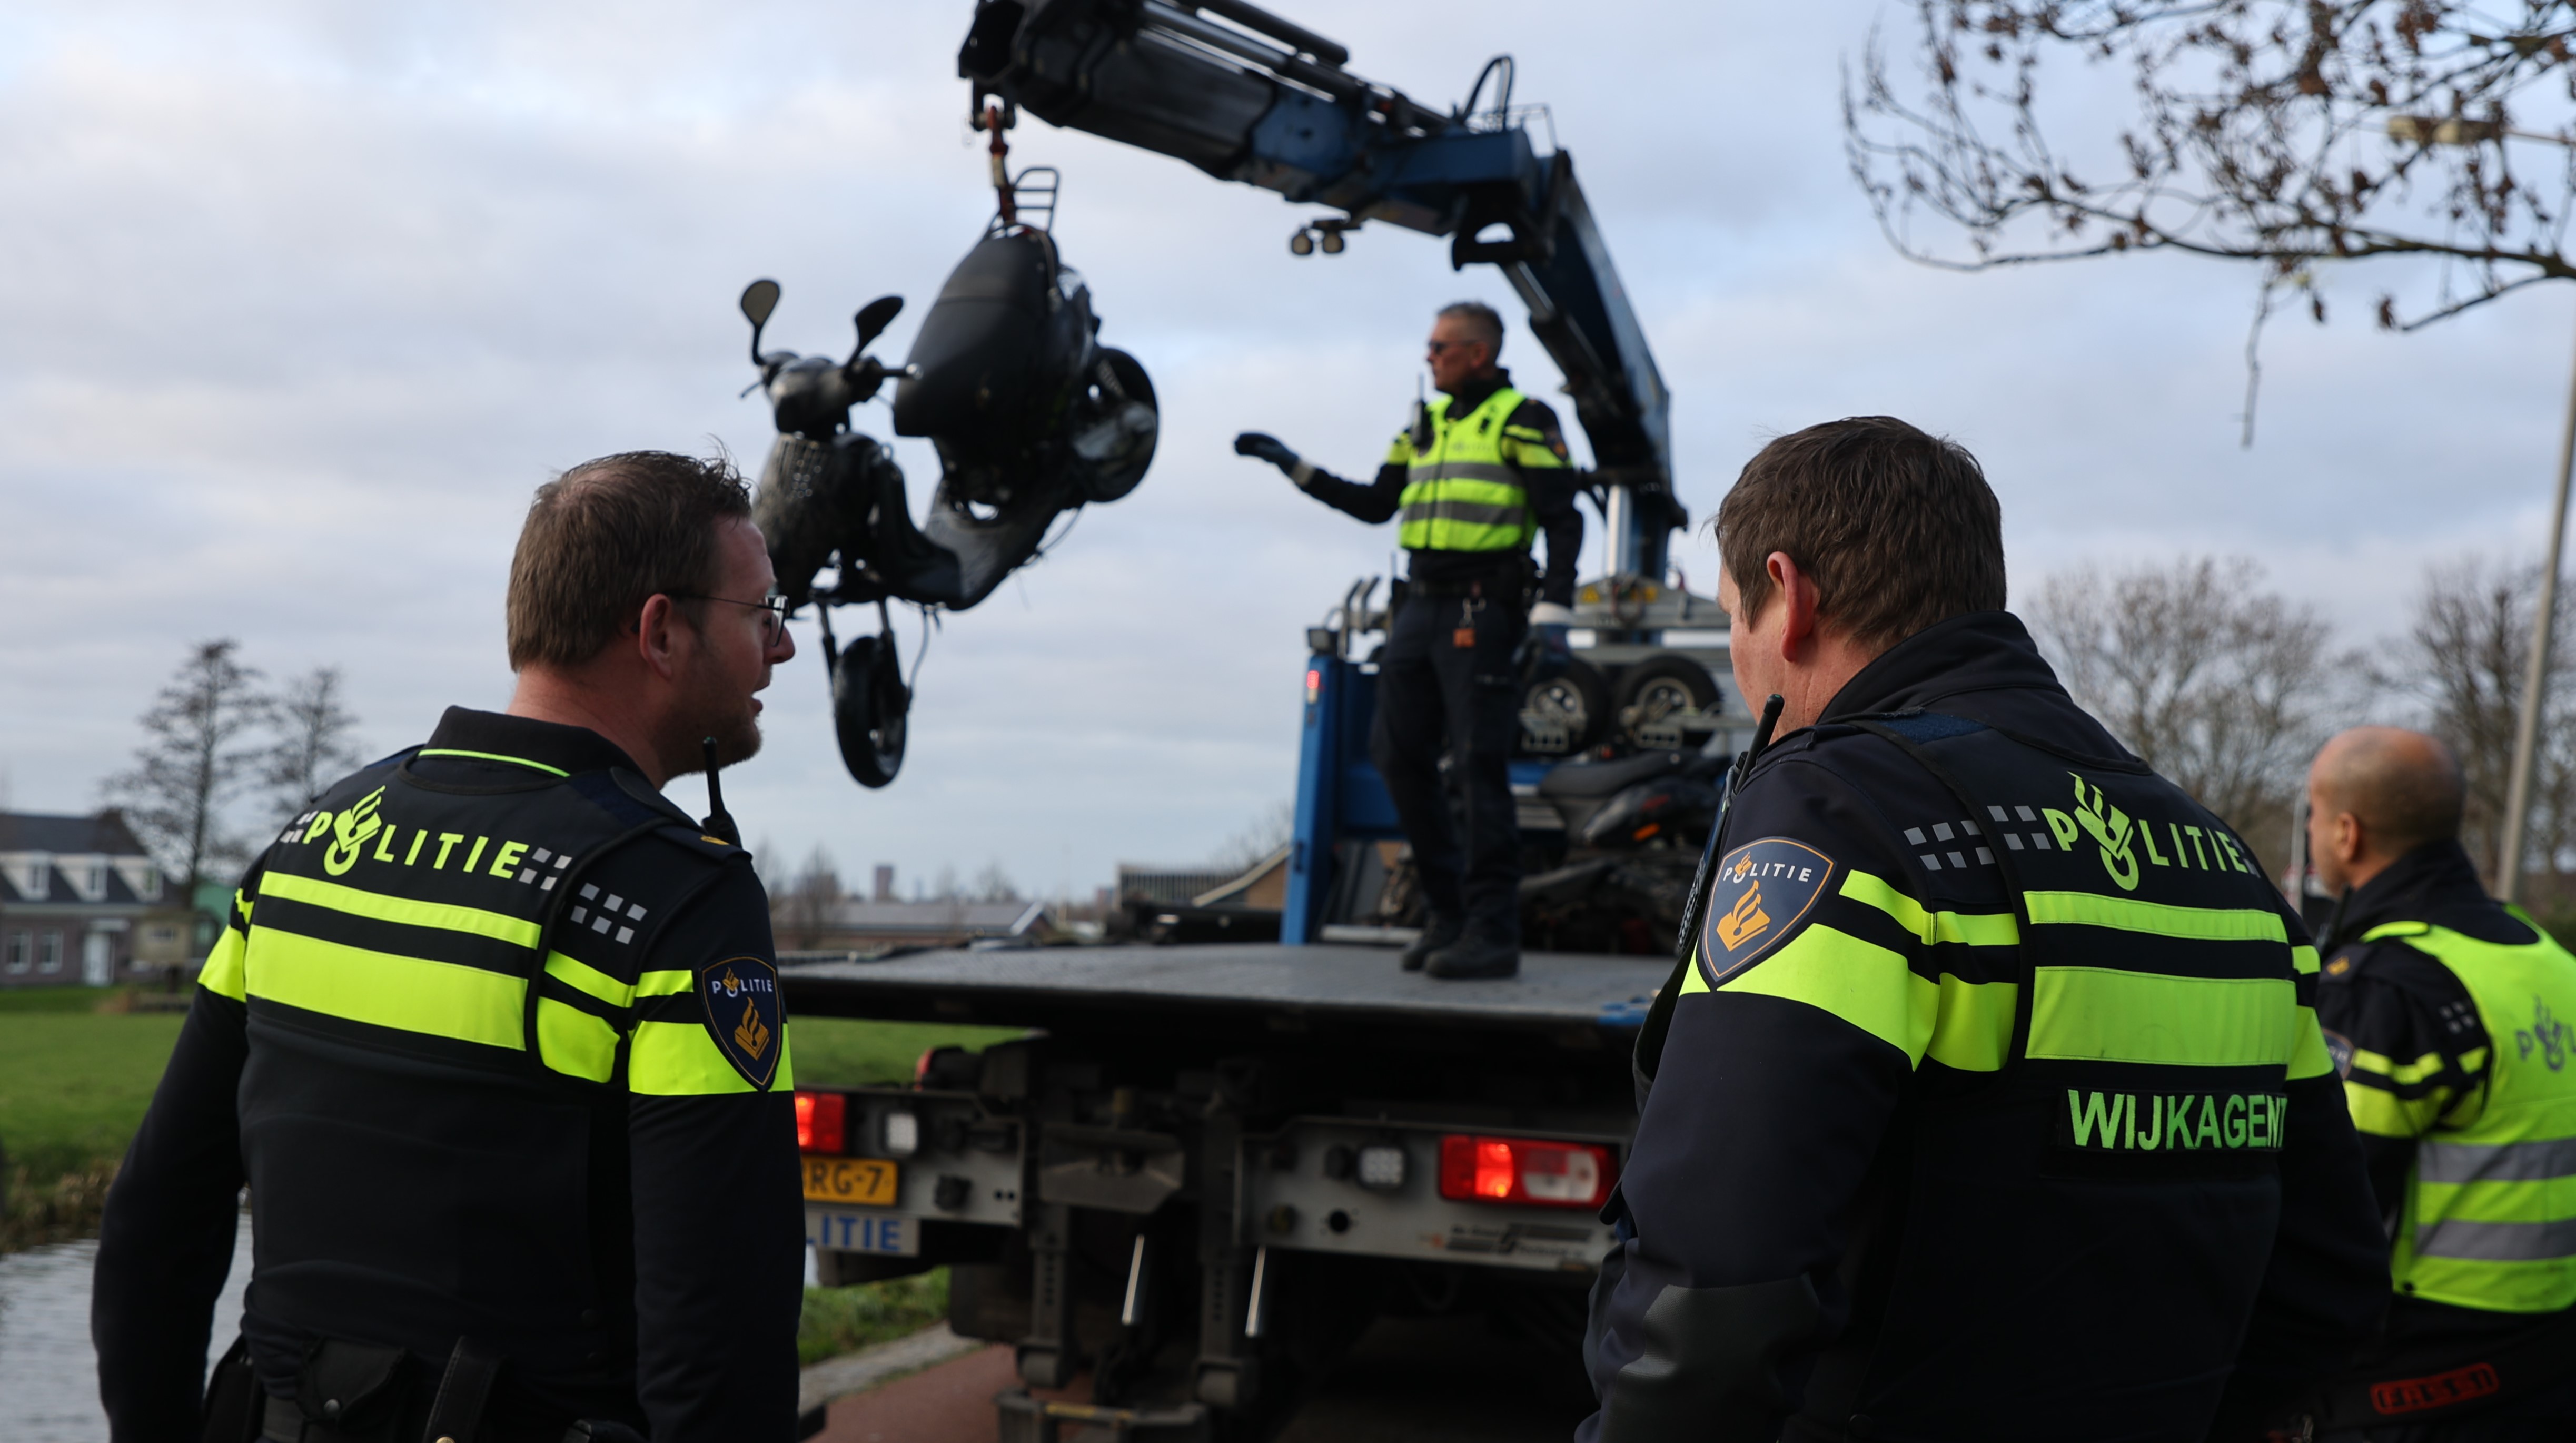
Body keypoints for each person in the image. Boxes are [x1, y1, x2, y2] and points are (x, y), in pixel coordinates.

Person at [1581, 417, 2388, 1442]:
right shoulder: (2223, 869)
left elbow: (1716, 1293)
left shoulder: (1838, 810)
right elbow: (2329, 1286)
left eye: (1736, 619)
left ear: (1788, 597)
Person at [93, 452, 805, 1443]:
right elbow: (719, 1329)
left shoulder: (311, 845)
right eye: (763, 612)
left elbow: (154, 1226)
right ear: (661, 631)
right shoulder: (679, 897)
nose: (780, 651)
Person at [1233, 300, 1582, 979]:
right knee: (1396, 757)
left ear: (1478, 353)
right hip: (1417, 610)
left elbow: (1562, 518)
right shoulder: (1422, 427)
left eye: (1440, 347)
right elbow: (1374, 502)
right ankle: (1448, 915)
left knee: (1478, 768)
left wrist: (1556, 610)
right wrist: (1292, 466)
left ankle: (1491, 929)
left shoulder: (1523, 418)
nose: (1429, 357)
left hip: (1483, 608)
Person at [2303, 726, 2576, 1440]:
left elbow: (2327, 1211)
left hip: (2417, 1389)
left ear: (2345, 831)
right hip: (2548, 1366)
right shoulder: (2545, 958)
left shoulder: (2386, 988)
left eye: (2308, 815)